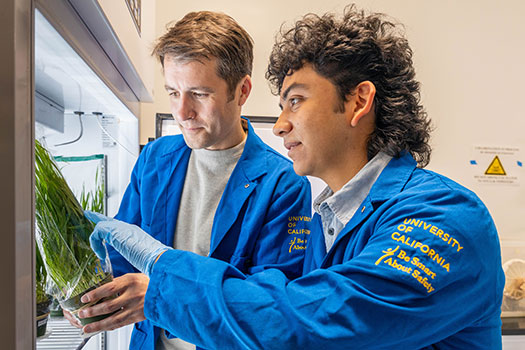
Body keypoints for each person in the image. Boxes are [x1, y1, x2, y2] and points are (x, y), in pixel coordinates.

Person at [80, 5, 504, 349]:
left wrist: (160, 274)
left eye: (295, 101)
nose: (280, 125)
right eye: (174, 93)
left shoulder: (445, 217)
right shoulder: (332, 219)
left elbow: (301, 322)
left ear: (359, 101)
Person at [67, 10, 312, 350]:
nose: (181, 112)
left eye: (198, 94)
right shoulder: (154, 159)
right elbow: (120, 262)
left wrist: (163, 294)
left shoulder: (284, 186)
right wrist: (88, 294)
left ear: (242, 91)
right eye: (172, 92)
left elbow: (269, 308)